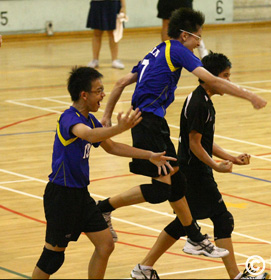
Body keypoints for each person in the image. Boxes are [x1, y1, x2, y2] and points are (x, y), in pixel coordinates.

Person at [96, 6, 267, 269]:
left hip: (151, 123)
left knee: (175, 185)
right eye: (198, 37)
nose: (200, 43)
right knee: (163, 188)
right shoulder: (177, 50)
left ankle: (194, 237)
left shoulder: (157, 50)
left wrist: (107, 116)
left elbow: (120, 83)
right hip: (149, 123)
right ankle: (104, 208)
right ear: (185, 35)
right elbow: (212, 80)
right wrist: (249, 95)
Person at [130, 52, 269, 279]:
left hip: (192, 170)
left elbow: (204, 140)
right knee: (222, 219)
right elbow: (195, 145)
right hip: (194, 172)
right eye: (225, 77)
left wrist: (232, 157)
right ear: (210, 77)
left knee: (184, 222)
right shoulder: (199, 104)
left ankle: (144, 268)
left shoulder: (202, 100)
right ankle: (236, 276)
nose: (228, 82)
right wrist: (215, 166)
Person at [31, 66, 176, 279]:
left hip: (80, 195)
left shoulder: (89, 119)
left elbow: (112, 147)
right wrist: (120, 127)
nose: (103, 95)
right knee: (53, 257)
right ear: (84, 95)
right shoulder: (69, 119)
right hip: (61, 197)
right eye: (98, 90)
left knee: (105, 245)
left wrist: (149, 155)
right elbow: (89, 136)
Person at [86, 0, 126, 69]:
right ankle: (95, 60)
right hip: (97, 3)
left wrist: (123, 6)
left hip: (112, 3)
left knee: (112, 33)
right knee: (97, 33)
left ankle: (114, 60)